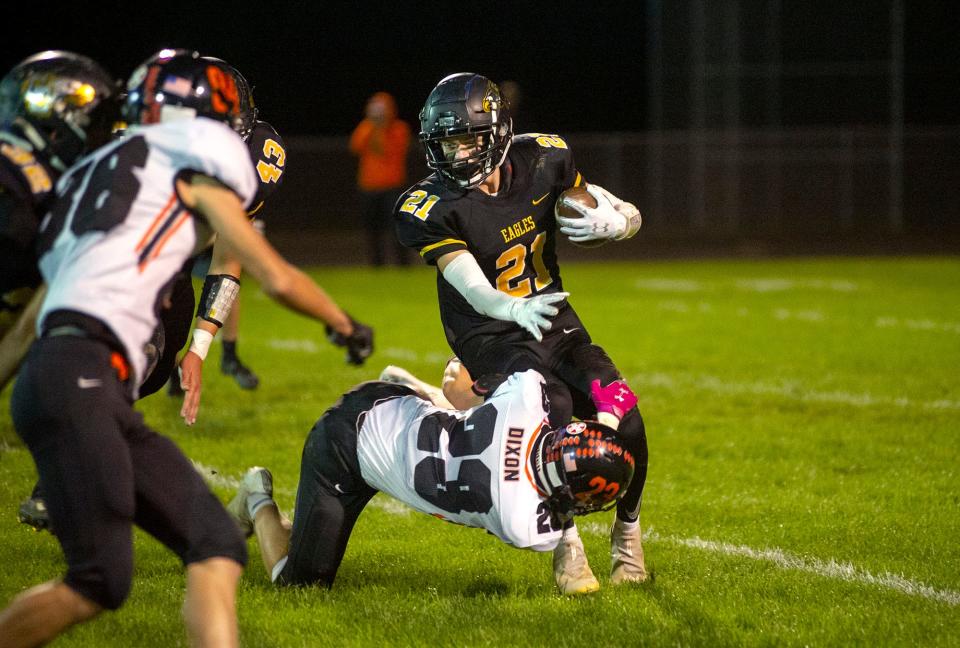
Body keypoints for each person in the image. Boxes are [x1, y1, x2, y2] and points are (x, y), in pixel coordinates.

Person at [0, 50, 366, 647]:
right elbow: (267, 271)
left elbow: (24, 329)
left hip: (65, 375)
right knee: (98, 579)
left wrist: (195, 346)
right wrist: (343, 323)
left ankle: (72, 467)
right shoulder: (191, 171)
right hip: (84, 378)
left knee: (215, 543)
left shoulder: (94, 176)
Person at [393, 73, 646, 595]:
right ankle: (567, 546)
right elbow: (472, 287)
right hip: (489, 335)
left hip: (554, 319)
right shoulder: (429, 206)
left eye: (466, 140)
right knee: (548, 410)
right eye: (445, 144)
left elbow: (604, 206)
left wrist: (623, 224)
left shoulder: (544, 158)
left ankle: (628, 537)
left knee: (624, 413)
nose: (456, 155)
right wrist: (511, 307)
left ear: (498, 133)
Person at [227, 363, 637, 594]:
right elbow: (559, 510)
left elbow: (470, 378)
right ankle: (255, 496)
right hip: (342, 450)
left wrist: (603, 421)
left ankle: (422, 395)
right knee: (298, 586)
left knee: (466, 408)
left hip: (385, 409)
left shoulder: (527, 399)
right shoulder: (525, 522)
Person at [349, 91, 411, 266]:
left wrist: (380, 128)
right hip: (368, 188)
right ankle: (376, 265)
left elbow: (384, 150)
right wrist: (373, 126)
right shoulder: (366, 127)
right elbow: (355, 147)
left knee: (396, 230)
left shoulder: (399, 128)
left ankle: (403, 265)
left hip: (392, 187)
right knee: (372, 230)